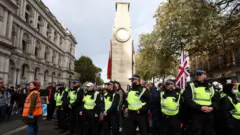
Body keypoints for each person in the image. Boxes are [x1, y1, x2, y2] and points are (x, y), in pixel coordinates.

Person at [183, 70, 219, 135]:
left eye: (200, 74)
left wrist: (212, 107)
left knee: (208, 131)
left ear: (205, 75)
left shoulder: (210, 86)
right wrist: (200, 107)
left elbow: (216, 99)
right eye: (197, 74)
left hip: (209, 113)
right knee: (196, 131)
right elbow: (187, 99)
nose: (198, 76)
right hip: (196, 113)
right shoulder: (190, 85)